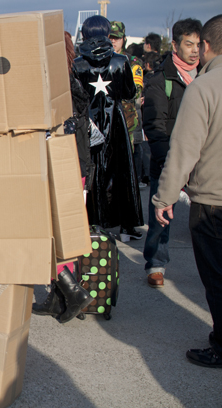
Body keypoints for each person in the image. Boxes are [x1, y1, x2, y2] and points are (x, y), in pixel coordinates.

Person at [152, 14, 222, 368]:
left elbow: (184, 150)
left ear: (206, 45)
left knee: (217, 278)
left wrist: (164, 197)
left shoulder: (204, 88)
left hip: (213, 201)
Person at [32, 32, 95, 323]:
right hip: (77, 168)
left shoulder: (48, 87)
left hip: (57, 168)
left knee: (43, 233)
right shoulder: (73, 81)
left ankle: (72, 292)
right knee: (64, 233)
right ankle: (60, 298)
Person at [142, 18, 202, 289]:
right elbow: (154, 125)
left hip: (203, 162)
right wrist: (170, 164)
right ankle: (156, 263)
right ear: (175, 45)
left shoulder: (206, 76)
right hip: (170, 160)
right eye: (188, 44)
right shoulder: (161, 79)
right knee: (161, 216)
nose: (194, 50)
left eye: (198, 44)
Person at [73, 16, 143, 241]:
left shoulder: (77, 63)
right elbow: (130, 93)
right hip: (116, 122)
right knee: (123, 171)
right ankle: (126, 224)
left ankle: (92, 221)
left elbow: (75, 97)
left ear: (84, 35)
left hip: (88, 125)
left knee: (90, 172)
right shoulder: (121, 61)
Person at [109, 21, 144, 154]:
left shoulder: (133, 63)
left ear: (124, 39)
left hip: (128, 122)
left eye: (116, 38)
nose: (113, 41)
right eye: (110, 37)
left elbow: (135, 91)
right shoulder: (102, 62)